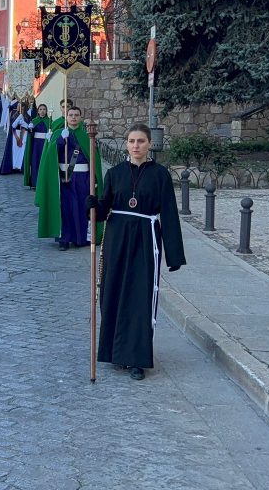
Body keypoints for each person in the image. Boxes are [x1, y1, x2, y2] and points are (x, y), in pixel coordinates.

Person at [87, 123, 186, 380]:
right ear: (126, 144)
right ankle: (115, 353)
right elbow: (105, 208)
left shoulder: (160, 175)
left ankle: (137, 359)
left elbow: (169, 214)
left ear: (149, 144)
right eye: (131, 141)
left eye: (140, 141)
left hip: (145, 238)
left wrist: (174, 254)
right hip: (117, 239)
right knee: (113, 293)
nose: (135, 146)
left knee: (139, 297)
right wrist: (93, 205)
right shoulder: (115, 173)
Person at [35, 104, 103, 250]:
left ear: (80, 118)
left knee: (80, 207)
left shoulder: (86, 136)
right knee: (64, 208)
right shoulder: (59, 133)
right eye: (71, 115)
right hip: (64, 177)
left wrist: (95, 179)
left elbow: (94, 160)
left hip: (82, 178)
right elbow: (50, 154)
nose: (73, 118)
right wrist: (60, 140)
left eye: (76, 115)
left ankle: (80, 238)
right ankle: (64, 239)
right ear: (66, 117)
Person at [23, 103, 53, 189]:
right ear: (38, 111)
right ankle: (35, 183)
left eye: (44, 109)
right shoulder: (34, 121)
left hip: (45, 144)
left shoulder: (50, 121)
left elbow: (52, 132)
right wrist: (30, 129)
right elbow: (30, 135)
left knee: (44, 163)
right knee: (35, 163)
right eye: (40, 109)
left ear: (46, 111)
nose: (42, 111)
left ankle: (44, 183)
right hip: (36, 146)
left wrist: (50, 135)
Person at [0, 101, 30, 175]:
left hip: (24, 135)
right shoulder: (14, 115)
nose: (19, 107)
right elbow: (12, 126)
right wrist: (18, 119)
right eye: (18, 105)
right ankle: (14, 166)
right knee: (15, 151)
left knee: (22, 151)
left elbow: (28, 127)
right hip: (15, 135)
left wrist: (24, 123)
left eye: (21, 106)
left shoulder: (27, 116)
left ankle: (20, 167)